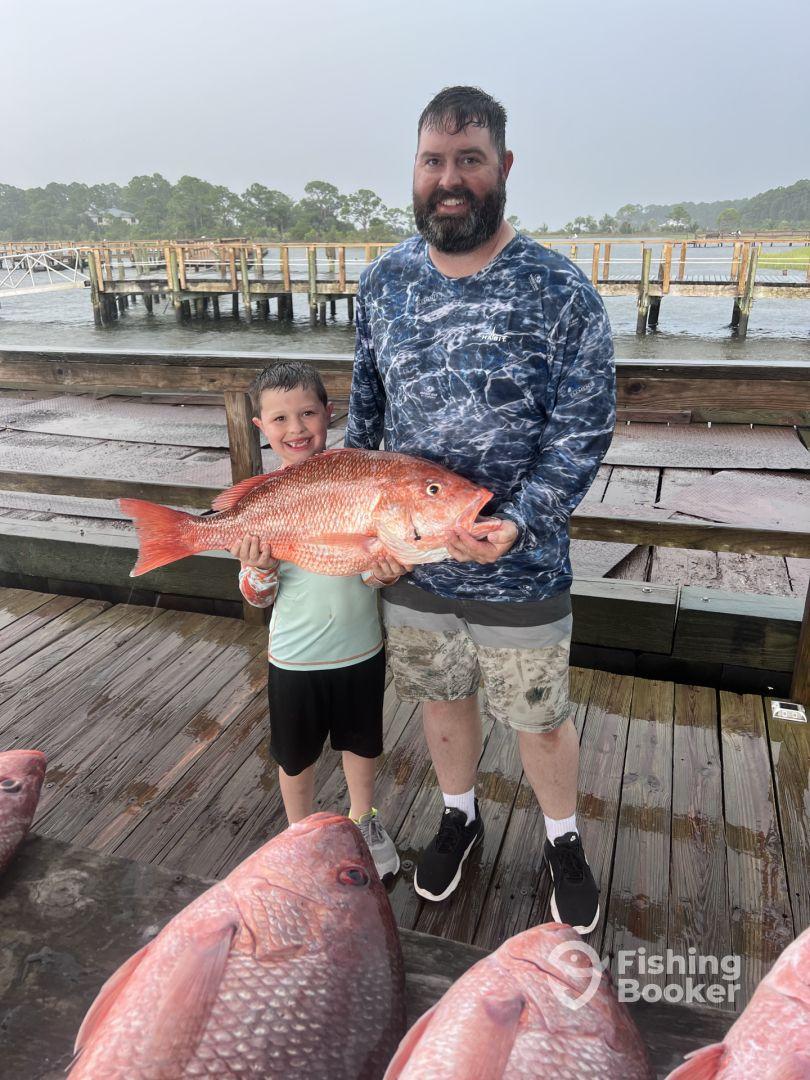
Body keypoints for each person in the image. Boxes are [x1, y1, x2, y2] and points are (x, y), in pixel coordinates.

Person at [345, 86, 615, 935]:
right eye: (433, 161)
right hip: (415, 561)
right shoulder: (383, 282)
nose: (449, 179)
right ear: (415, 171)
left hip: (522, 561)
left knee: (537, 715)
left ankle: (563, 840)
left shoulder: (559, 290)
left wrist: (525, 519)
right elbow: (365, 424)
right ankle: (460, 815)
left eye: (468, 160)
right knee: (442, 697)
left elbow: (583, 429)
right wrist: (365, 534)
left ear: (503, 167)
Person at [232, 360, 400, 880]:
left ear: (330, 414)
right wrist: (258, 570)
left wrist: (383, 574)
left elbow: (365, 573)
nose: (296, 428)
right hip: (295, 659)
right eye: (279, 419)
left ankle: (363, 819)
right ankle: (298, 833)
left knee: (363, 742)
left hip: (361, 650)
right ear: (261, 428)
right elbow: (257, 597)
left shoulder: (357, 478)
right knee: (295, 757)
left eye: (307, 413)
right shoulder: (263, 498)